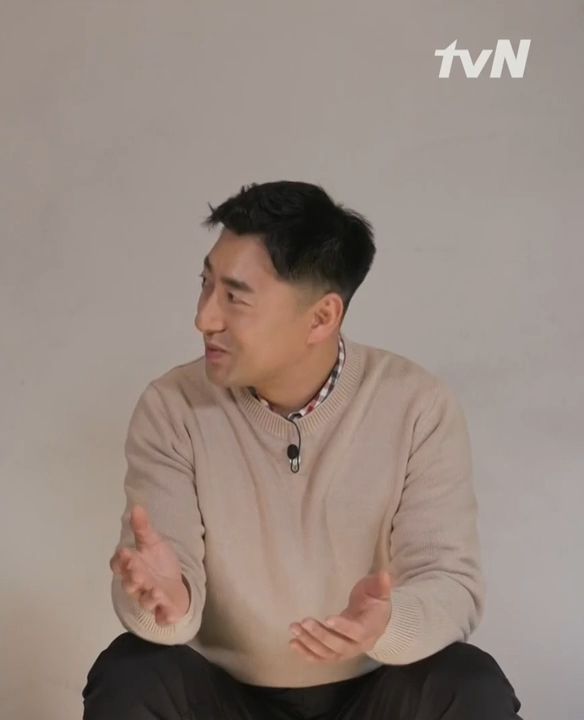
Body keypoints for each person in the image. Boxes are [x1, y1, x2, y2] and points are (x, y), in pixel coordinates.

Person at [82, 181, 523, 719]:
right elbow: (162, 584)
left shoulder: (416, 405)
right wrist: (169, 603)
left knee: (470, 683)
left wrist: (388, 624)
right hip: (225, 699)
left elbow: (450, 582)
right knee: (130, 672)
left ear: (321, 318)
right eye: (205, 283)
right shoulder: (173, 407)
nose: (204, 317)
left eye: (235, 297)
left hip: (372, 694)